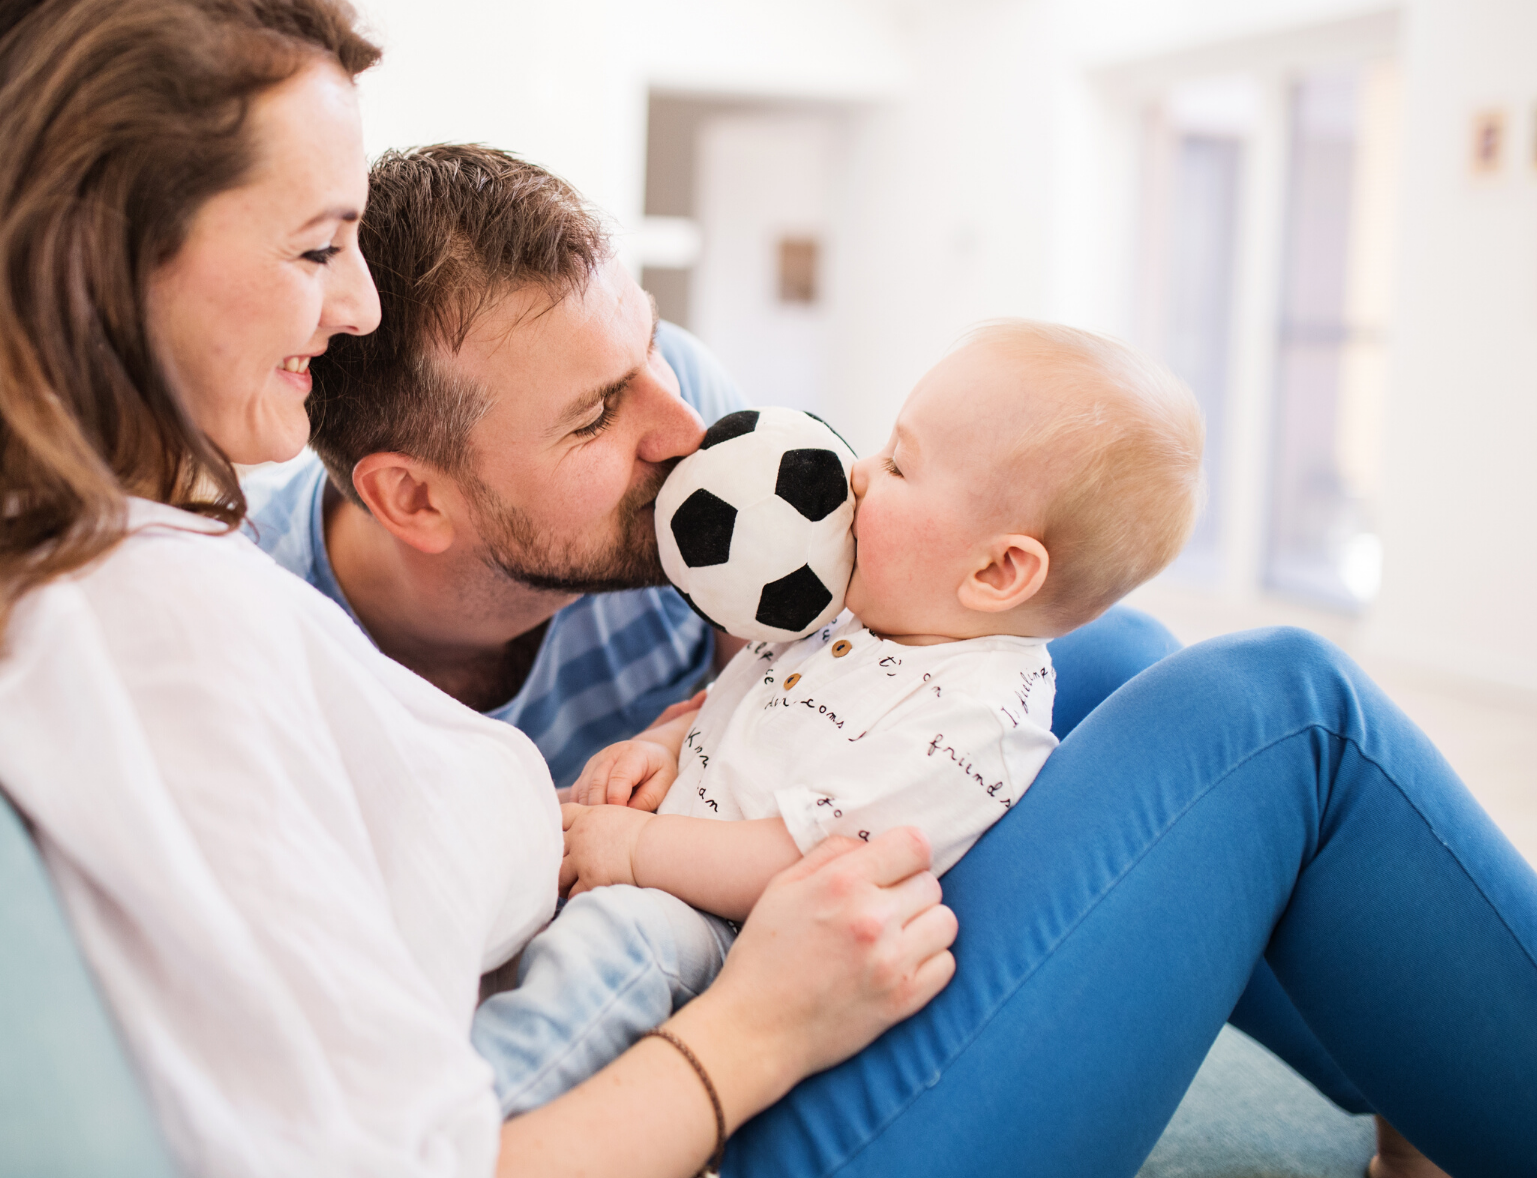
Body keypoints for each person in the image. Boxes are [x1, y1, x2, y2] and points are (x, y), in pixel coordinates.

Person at [0, 0, 1537, 1178]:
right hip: (724, 1065)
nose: (697, 436)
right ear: (413, 502)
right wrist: (751, 1011)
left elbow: (905, 605)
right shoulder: (149, 628)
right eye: (313, 248)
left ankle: (1429, 1072)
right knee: (1283, 704)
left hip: (718, 943)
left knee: (1098, 665)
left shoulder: (134, 552)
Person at [246, 143, 1174, 788]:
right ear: (412, 498)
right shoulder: (275, 653)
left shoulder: (688, 403)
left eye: (648, 346)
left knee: (1129, 660)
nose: (686, 427)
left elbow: (801, 675)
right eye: (598, 413)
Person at [473, 320, 1201, 1113]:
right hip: (665, 859)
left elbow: (797, 858)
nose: (858, 472)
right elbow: (736, 702)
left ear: (997, 569)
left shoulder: (970, 724)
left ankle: (477, 1121)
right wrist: (663, 745)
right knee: (503, 880)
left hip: (737, 939)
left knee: (609, 950)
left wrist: (638, 846)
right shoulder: (860, 608)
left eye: (899, 463)